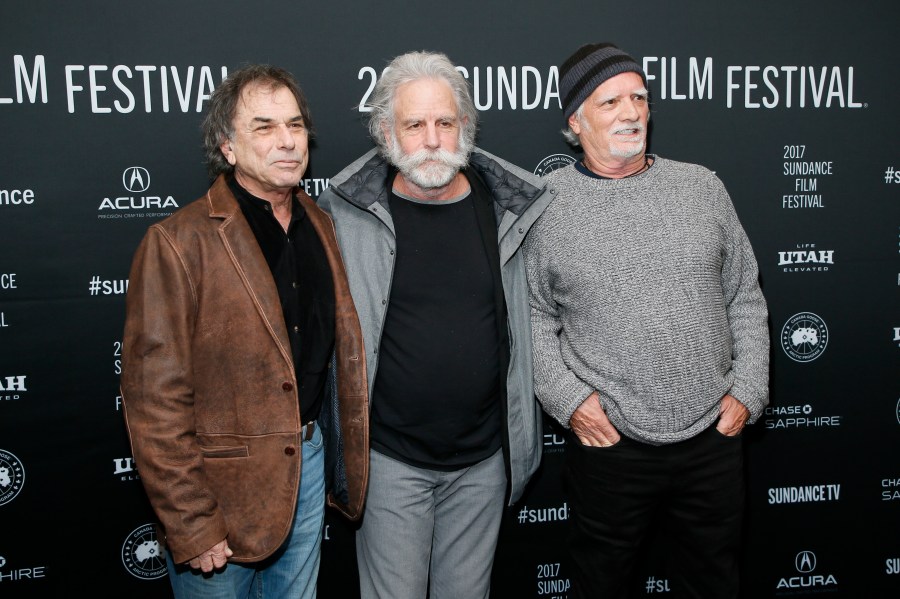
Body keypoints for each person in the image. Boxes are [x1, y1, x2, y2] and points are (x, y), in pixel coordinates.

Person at [523, 43, 770, 598]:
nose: (631, 112)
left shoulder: (702, 188)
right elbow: (531, 318)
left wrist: (750, 389)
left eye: (639, 97)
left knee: (714, 584)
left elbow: (745, 297)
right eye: (610, 101)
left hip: (712, 438)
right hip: (612, 448)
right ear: (575, 119)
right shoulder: (546, 206)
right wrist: (571, 401)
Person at [119, 64, 368, 599]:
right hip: (219, 495)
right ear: (228, 148)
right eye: (264, 127)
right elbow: (153, 401)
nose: (287, 141)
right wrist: (190, 520)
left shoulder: (321, 224)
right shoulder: (177, 241)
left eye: (296, 126)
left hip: (308, 468)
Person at [317, 50, 555, 599]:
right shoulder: (343, 212)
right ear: (385, 132)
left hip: (483, 462)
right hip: (391, 462)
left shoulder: (509, 208)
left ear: (466, 127)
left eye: (445, 123)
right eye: (414, 124)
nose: (431, 139)